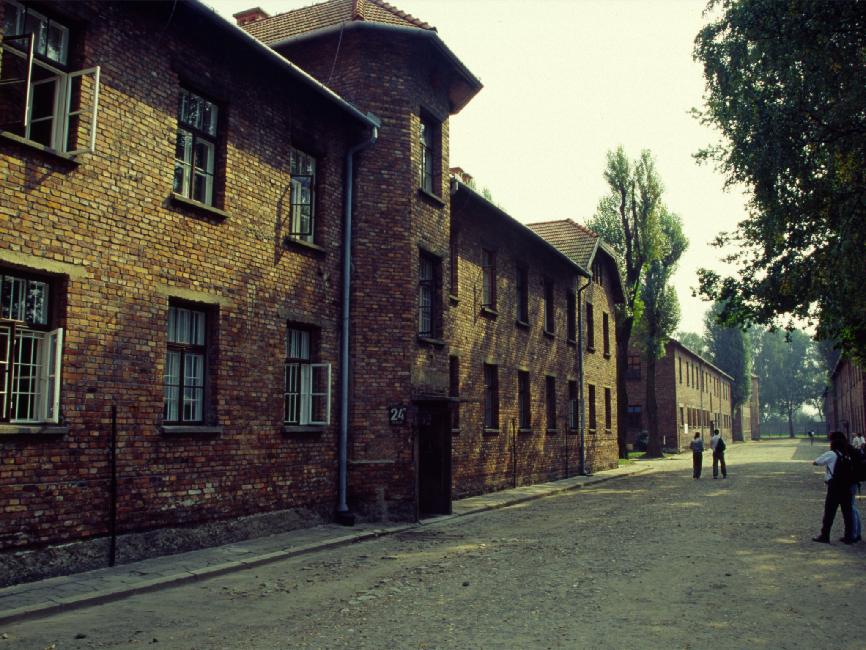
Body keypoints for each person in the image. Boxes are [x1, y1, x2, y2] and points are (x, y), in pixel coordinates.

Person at [812, 431, 856, 544]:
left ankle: (825, 535)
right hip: (846, 486)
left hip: (834, 486)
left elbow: (816, 462)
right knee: (847, 513)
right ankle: (849, 537)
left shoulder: (831, 454)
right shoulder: (847, 454)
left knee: (829, 512)